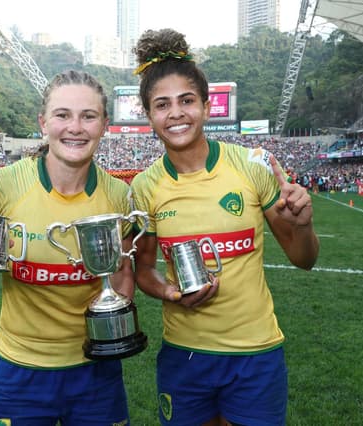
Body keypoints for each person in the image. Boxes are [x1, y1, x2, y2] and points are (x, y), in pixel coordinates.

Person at [130, 29, 320, 426]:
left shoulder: (252, 165)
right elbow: (143, 270)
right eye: (162, 104)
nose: (176, 113)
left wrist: (303, 226)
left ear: (207, 106)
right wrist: (169, 292)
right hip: (185, 353)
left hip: (256, 351)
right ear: (148, 115)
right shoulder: (145, 186)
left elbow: (303, 259)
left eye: (186, 101)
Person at [0, 70, 135, 426]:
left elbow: (123, 270)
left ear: (104, 125)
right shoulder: (0, 185)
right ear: (43, 122)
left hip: (95, 369)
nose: (75, 127)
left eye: (88, 116)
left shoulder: (119, 196)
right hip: (19, 370)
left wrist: (116, 325)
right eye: (62, 115)